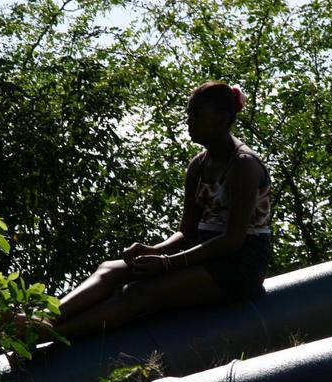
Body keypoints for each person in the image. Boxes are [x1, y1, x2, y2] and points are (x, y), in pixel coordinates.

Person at [39, 81, 272, 341]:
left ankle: (46, 336)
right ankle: (42, 318)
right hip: (203, 254)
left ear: (222, 118)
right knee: (110, 270)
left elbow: (233, 240)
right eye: (188, 115)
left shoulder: (244, 165)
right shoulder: (199, 164)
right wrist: (154, 251)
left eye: (197, 115)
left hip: (239, 265)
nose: (189, 122)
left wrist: (169, 263)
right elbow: (186, 231)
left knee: (137, 293)